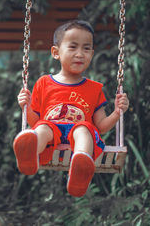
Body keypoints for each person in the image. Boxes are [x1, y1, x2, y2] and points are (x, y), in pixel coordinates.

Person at [14, 20, 129, 197]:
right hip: (51, 137)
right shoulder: (43, 83)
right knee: (43, 127)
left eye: (86, 48)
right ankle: (30, 154)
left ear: (92, 53)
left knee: (84, 128)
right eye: (73, 47)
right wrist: (26, 107)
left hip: (79, 137)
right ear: (55, 52)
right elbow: (35, 121)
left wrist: (116, 112)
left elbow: (101, 127)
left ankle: (81, 164)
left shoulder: (94, 89)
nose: (80, 54)